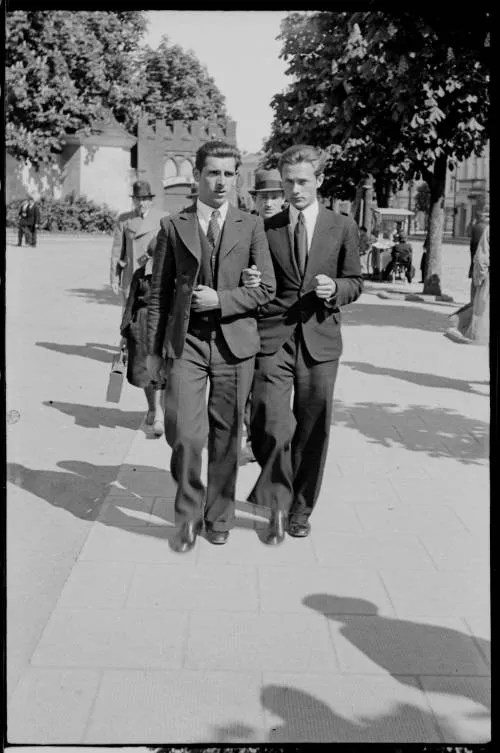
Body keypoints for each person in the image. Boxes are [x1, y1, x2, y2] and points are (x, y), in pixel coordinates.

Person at [146, 140, 276, 553]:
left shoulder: (250, 225)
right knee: (186, 434)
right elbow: (157, 295)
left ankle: (219, 516)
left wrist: (223, 299)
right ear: (198, 176)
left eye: (229, 174)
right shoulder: (173, 226)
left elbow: (266, 290)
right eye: (213, 173)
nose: (221, 182)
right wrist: (153, 352)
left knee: (226, 435)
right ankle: (187, 515)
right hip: (186, 344)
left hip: (234, 345)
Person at [248, 144, 363, 545]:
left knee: (313, 429)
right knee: (269, 422)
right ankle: (277, 494)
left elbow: (355, 281)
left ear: (319, 180)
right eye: (288, 182)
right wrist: (251, 282)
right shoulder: (266, 228)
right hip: (274, 338)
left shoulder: (342, 226)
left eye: (302, 181)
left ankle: (296, 510)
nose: (294, 190)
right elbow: (257, 279)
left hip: (320, 339)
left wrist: (337, 289)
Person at [109, 180, 166, 429]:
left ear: (151, 200)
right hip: (136, 279)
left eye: (145, 198)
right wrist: (114, 277)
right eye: (137, 198)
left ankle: (159, 410)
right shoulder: (124, 220)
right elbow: (117, 250)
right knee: (135, 329)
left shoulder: (163, 218)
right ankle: (153, 408)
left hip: (160, 277)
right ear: (133, 200)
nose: (141, 203)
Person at [240, 168, 286, 463]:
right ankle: (249, 437)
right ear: (254, 200)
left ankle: (269, 438)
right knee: (246, 382)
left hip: (281, 321)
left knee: (273, 389)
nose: (268, 203)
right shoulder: (243, 228)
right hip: (248, 317)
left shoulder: (291, 230)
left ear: (283, 198)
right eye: (263, 197)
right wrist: (243, 278)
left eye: (274, 196)